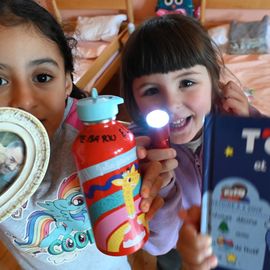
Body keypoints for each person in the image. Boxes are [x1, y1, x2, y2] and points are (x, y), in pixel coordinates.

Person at [0, 1, 166, 269]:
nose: (24, 100)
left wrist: (149, 177)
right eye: (0, 81)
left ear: (67, 82)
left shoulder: (94, 139)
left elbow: (148, 168)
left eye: (42, 77)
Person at [120, 14, 260, 270]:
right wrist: (161, 186)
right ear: (134, 99)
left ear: (214, 82)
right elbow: (160, 245)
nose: (171, 104)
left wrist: (246, 130)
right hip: (178, 247)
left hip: (241, 235)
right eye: (151, 90)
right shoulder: (138, 154)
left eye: (187, 82)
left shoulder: (240, 118)